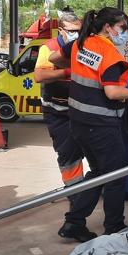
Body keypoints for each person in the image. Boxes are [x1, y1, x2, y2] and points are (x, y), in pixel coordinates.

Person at [52, 7, 128, 242]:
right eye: (122, 28)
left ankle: (74, 222)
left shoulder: (81, 43)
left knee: (98, 174)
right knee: (116, 177)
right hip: (101, 126)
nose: (124, 33)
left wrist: (76, 66)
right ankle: (114, 229)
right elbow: (113, 92)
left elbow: (54, 58)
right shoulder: (110, 55)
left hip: (78, 123)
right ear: (108, 27)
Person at [34, 10, 85, 194]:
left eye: (79, 31)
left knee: (91, 149)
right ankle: (74, 192)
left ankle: (91, 187)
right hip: (58, 112)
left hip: (81, 110)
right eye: (72, 31)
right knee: (68, 153)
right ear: (61, 30)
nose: (76, 34)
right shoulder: (49, 48)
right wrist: (67, 72)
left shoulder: (83, 46)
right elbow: (40, 75)